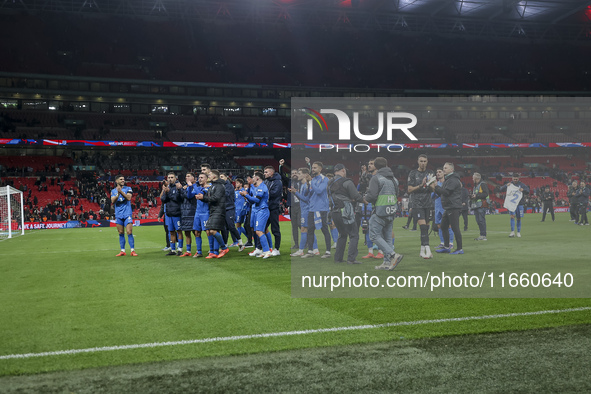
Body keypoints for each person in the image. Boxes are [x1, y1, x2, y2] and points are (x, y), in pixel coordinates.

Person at [364, 157, 404, 271]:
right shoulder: (394, 179)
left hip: (380, 211)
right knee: (387, 238)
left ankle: (392, 255)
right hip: (391, 211)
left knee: (373, 235)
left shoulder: (376, 178)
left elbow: (371, 196)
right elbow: (397, 193)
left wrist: (365, 198)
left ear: (376, 166)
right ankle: (387, 262)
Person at [329, 163, 364, 264]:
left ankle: (338, 258)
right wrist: (364, 201)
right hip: (345, 210)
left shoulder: (329, 182)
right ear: (343, 170)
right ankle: (351, 259)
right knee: (354, 234)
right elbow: (355, 196)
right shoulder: (347, 181)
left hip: (334, 210)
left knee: (342, 234)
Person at [430, 162, 463, 255]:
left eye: (446, 168)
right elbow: (442, 193)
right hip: (449, 207)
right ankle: (446, 247)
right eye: (444, 167)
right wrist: (435, 187)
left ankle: (459, 248)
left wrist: (436, 186)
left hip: (453, 207)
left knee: (455, 228)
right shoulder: (448, 180)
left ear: (451, 170)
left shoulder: (453, 180)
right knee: (443, 226)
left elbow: (446, 192)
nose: (444, 169)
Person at [195, 170, 230, 259]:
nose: (208, 176)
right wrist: (202, 198)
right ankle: (214, 251)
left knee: (213, 231)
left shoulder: (220, 186)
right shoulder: (213, 186)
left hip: (219, 210)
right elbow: (209, 197)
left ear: (214, 176)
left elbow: (215, 198)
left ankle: (224, 248)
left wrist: (204, 197)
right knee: (212, 230)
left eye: (209, 175)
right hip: (213, 210)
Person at [302, 161, 332, 259]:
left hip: (322, 208)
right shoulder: (313, 179)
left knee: (324, 229)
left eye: (315, 168)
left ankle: (328, 251)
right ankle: (310, 251)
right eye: (313, 168)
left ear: (320, 169)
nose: (313, 169)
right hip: (312, 208)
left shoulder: (325, 179)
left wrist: (310, 182)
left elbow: (319, 191)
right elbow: (308, 194)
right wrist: (307, 184)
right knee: (310, 230)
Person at [407, 154, 434, 258]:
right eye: (421, 161)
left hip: (428, 203)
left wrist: (428, 184)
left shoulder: (430, 173)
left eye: (425, 161)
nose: (423, 163)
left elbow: (433, 189)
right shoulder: (413, 173)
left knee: (426, 228)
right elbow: (409, 190)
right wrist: (420, 185)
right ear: (418, 162)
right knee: (423, 227)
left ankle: (422, 251)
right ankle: (428, 250)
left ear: (427, 162)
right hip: (417, 203)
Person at [241, 172, 273, 259]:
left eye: (253, 177)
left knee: (260, 231)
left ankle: (267, 250)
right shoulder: (255, 187)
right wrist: (246, 196)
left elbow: (257, 200)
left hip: (262, 210)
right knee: (255, 230)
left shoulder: (262, 187)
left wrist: (246, 195)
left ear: (258, 178)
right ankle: (260, 249)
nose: (252, 178)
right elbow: (252, 201)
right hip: (255, 211)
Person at [289, 168, 319, 257]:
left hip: (307, 210)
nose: (297, 175)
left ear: (305, 175)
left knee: (304, 229)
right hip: (304, 210)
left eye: (299, 173)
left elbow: (306, 199)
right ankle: (315, 249)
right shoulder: (303, 185)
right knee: (309, 230)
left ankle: (301, 250)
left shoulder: (308, 186)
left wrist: (295, 193)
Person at [110, 175, 137, 257]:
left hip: (127, 213)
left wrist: (121, 192)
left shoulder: (128, 188)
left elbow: (128, 198)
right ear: (116, 181)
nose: (123, 180)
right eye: (121, 179)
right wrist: (118, 193)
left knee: (129, 232)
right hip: (118, 214)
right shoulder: (113, 191)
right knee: (121, 232)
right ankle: (122, 251)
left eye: (123, 179)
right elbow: (113, 200)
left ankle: (132, 250)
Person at [187, 173, 212, 258]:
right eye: (199, 177)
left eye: (202, 178)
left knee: (208, 232)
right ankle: (199, 251)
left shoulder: (209, 187)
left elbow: (198, 193)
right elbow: (189, 195)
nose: (200, 179)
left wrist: (193, 184)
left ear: (206, 179)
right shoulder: (199, 187)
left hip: (206, 212)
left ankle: (212, 250)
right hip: (197, 213)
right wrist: (190, 187)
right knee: (197, 232)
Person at [160, 172, 184, 256]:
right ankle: (173, 250)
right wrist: (165, 192)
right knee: (171, 232)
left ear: (175, 178)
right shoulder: (167, 188)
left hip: (177, 213)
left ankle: (180, 249)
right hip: (169, 214)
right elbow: (163, 200)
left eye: (172, 177)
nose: (170, 179)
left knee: (179, 231)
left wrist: (168, 193)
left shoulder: (178, 187)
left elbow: (178, 199)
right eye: (169, 177)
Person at [219, 173, 244, 251]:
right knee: (224, 228)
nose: (221, 178)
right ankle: (225, 245)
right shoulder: (221, 185)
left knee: (231, 226)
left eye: (222, 177)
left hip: (230, 208)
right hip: (223, 208)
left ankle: (240, 243)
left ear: (226, 178)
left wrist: (219, 190)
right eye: (220, 177)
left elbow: (226, 194)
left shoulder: (229, 185)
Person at [432, 168, 454, 250]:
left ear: (443, 173)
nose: (438, 173)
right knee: (439, 226)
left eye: (440, 172)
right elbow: (432, 196)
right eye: (437, 172)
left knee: (448, 225)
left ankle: (450, 242)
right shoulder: (435, 184)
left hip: (445, 207)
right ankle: (442, 242)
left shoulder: (447, 183)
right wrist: (434, 189)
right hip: (437, 207)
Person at [264, 165, 283, 256]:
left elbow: (274, 193)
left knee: (275, 229)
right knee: (262, 228)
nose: (265, 174)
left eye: (266, 172)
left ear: (272, 173)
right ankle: (264, 248)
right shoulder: (266, 181)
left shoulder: (278, 182)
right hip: (266, 207)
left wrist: (264, 192)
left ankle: (277, 249)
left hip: (274, 208)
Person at [178, 172, 198, 257]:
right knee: (186, 232)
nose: (187, 177)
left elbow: (189, 196)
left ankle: (198, 250)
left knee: (196, 232)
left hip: (193, 211)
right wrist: (181, 189)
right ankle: (188, 251)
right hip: (184, 212)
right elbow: (180, 197)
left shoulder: (196, 187)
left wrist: (184, 188)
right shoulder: (184, 188)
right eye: (186, 176)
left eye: (189, 176)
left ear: (194, 178)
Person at [471, 172, 489, 241]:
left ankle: (483, 235)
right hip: (476, 205)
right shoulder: (476, 185)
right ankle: (482, 234)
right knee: (478, 221)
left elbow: (486, 193)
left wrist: (477, 196)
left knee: (481, 221)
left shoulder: (483, 184)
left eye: (473, 177)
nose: (472, 179)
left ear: (476, 178)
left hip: (481, 205)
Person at [234, 178, 249, 243]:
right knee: (238, 225)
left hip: (241, 210)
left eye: (237, 183)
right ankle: (249, 237)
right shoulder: (236, 191)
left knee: (238, 224)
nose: (236, 184)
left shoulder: (243, 191)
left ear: (241, 184)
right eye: (236, 183)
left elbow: (247, 198)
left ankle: (238, 241)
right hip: (236, 209)